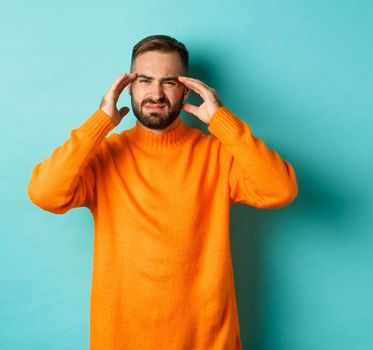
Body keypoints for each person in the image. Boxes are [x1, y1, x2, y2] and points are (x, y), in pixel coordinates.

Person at [26, 34, 298, 349]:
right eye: (145, 80)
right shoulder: (104, 155)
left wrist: (221, 120)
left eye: (169, 82)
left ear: (186, 89)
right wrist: (100, 121)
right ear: (128, 87)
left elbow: (280, 189)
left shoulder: (218, 154)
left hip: (208, 342)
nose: (156, 93)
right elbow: (44, 194)